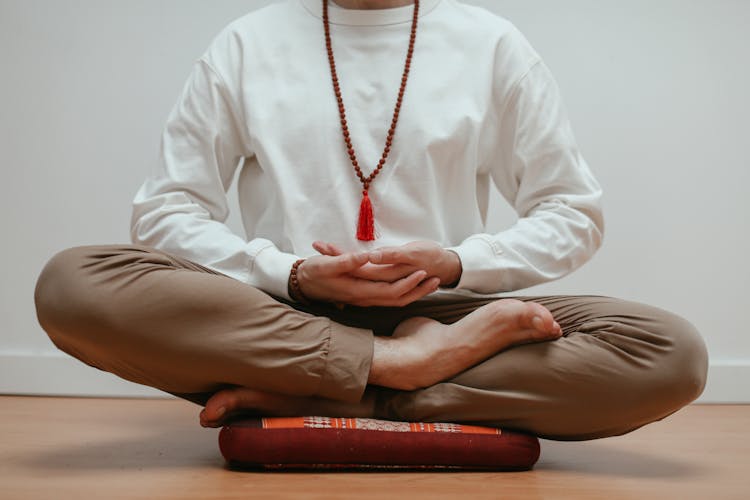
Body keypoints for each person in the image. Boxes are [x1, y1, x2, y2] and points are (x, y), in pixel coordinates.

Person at [33, 0, 707, 441]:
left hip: (448, 313)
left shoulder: (493, 44)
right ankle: (404, 369)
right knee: (72, 284)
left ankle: (346, 390)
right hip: (273, 322)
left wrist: (458, 262)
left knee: (670, 353)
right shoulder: (246, 42)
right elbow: (164, 212)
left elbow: (573, 211)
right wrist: (293, 274)